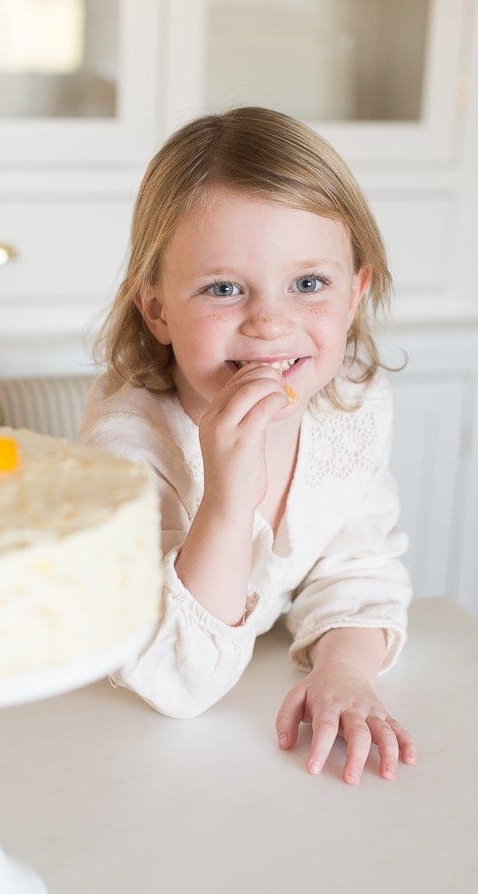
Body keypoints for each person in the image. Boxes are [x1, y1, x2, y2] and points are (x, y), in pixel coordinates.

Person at [78, 107, 416, 786]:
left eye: (308, 284)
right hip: (129, 763)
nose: (270, 321)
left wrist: (343, 668)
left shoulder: (353, 400)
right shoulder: (130, 446)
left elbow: (358, 568)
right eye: (225, 288)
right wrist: (228, 504)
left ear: (354, 295)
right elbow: (178, 681)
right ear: (157, 309)